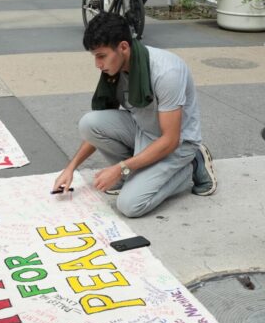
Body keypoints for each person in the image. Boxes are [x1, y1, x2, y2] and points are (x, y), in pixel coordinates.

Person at [52, 13, 217, 218]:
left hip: (177, 144)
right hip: (143, 131)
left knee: (130, 205)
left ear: (123, 47)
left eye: (101, 56)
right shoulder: (115, 70)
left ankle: (192, 165)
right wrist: (70, 168)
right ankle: (136, 174)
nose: (97, 64)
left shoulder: (167, 72)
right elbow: (95, 130)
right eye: (94, 56)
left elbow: (170, 139)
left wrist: (120, 168)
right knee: (89, 123)